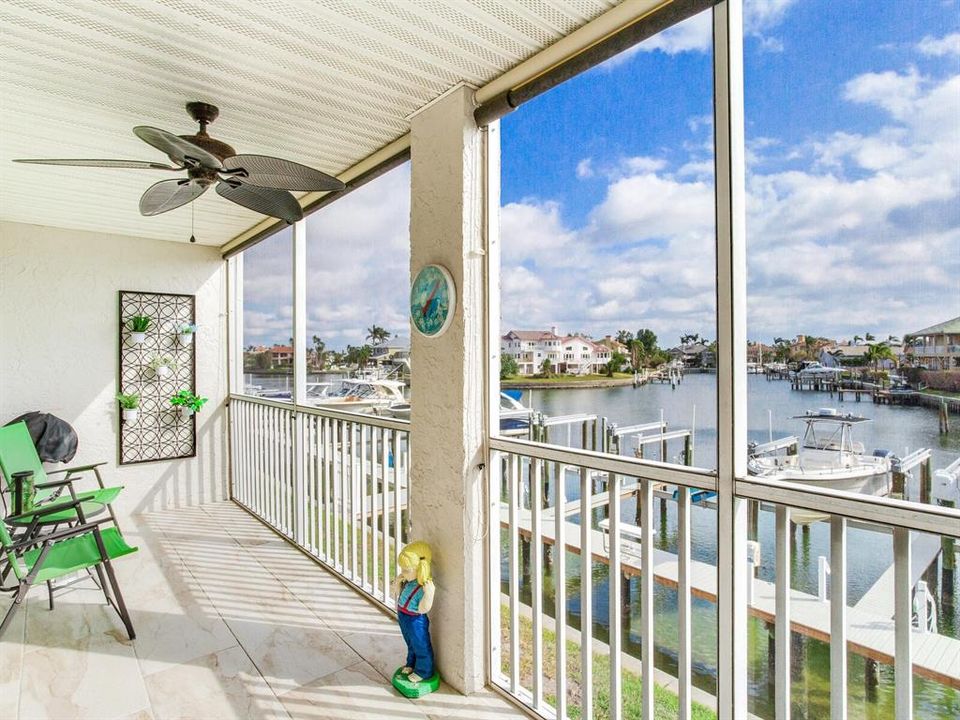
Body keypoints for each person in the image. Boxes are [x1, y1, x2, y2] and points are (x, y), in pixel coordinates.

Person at [393, 541, 436, 683]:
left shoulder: (425, 586)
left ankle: (424, 671)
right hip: (403, 615)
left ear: (419, 568)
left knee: (420, 644)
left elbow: (424, 609)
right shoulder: (408, 581)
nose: (403, 572)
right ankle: (411, 664)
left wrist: (429, 594)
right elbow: (399, 594)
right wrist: (397, 583)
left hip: (415, 619)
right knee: (410, 642)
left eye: (406, 569)